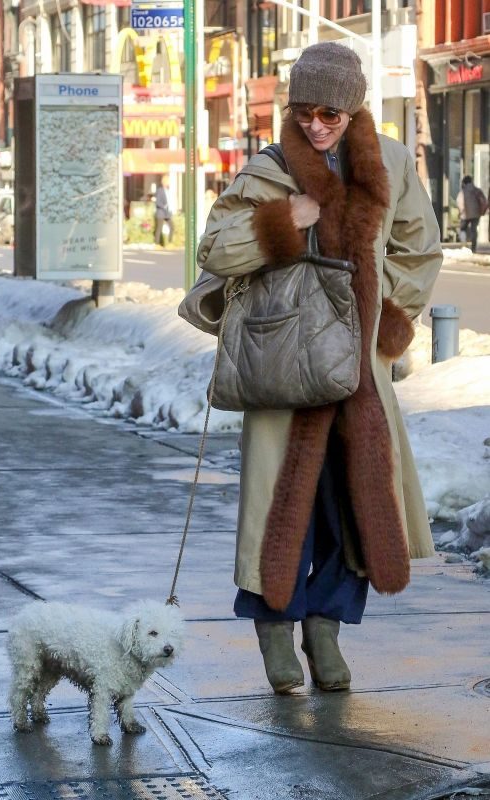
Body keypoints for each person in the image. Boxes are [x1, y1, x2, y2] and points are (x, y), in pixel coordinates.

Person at [196, 42, 442, 694]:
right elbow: (215, 247)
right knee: (286, 506)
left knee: (352, 502)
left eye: (330, 113)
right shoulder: (270, 170)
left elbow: (419, 249)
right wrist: (282, 221)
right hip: (285, 365)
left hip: (358, 366)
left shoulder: (387, 161)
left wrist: (390, 320)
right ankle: (275, 628)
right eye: (304, 111)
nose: (316, 125)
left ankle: (325, 627)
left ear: (354, 106)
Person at [456, 175, 488, 253]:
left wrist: (461, 211)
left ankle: (464, 245)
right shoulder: (477, 190)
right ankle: (473, 248)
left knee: (463, 229)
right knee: (474, 230)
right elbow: (484, 201)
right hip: (476, 213)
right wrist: (482, 211)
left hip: (464, 214)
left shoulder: (463, 191)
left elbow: (459, 201)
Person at [154, 174, 174, 246]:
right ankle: (156, 244)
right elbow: (158, 202)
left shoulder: (168, 190)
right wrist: (164, 207)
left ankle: (170, 243)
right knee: (159, 228)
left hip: (167, 213)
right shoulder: (160, 190)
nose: (169, 182)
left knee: (172, 227)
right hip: (161, 213)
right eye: (168, 181)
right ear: (165, 182)